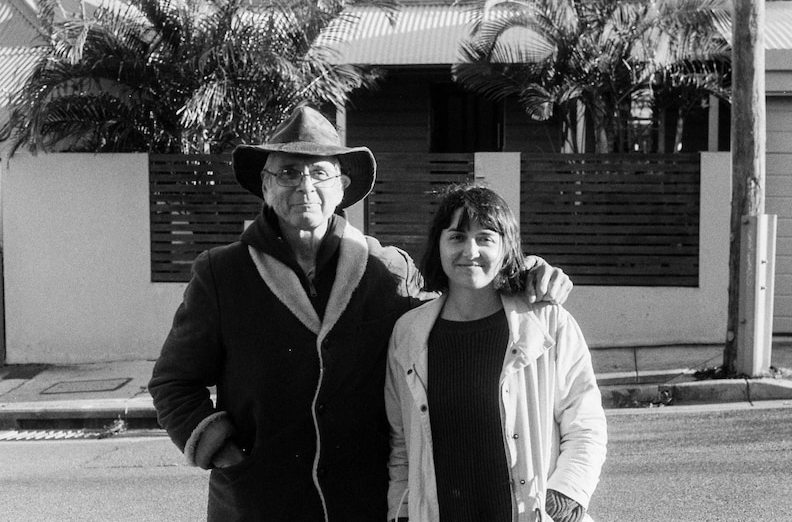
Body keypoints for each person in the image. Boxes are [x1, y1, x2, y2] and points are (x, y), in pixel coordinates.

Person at [148, 105, 574, 522]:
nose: (304, 186)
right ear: (264, 185)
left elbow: (454, 311)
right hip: (256, 503)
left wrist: (519, 275)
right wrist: (226, 455)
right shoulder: (222, 273)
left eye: (319, 172)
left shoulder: (386, 269)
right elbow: (173, 382)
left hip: (363, 502)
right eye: (287, 172)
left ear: (342, 186)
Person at [385, 183, 607, 522]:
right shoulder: (408, 333)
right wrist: (401, 513)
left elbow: (585, 422)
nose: (470, 250)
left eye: (485, 238)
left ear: (506, 247)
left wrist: (564, 499)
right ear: (438, 246)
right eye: (457, 237)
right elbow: (402, 444)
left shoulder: (546, 321)